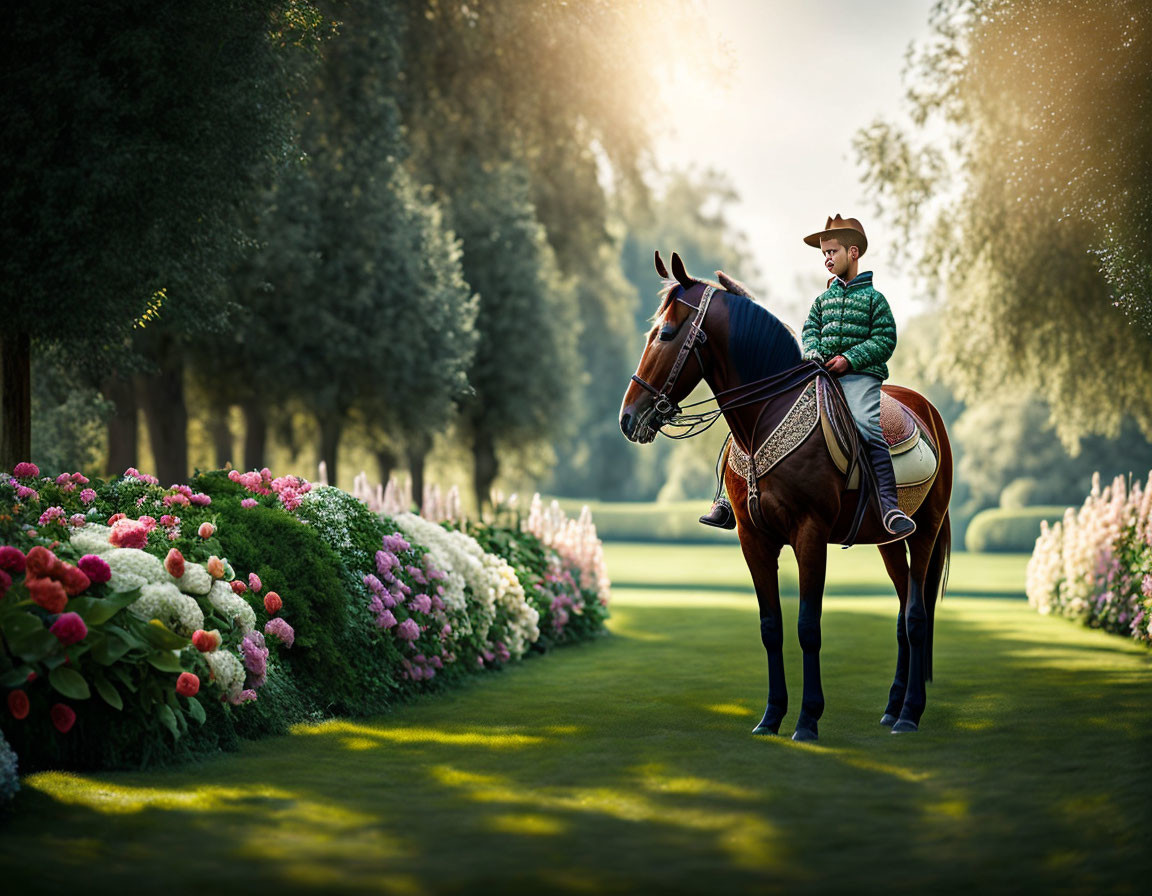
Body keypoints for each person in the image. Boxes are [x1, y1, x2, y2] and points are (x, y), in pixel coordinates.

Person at [699, 214, 916, 539]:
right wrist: (813, 354)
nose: (827, 259)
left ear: (853, 253)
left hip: (859, 378)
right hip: (820, 374)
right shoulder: (822, 301)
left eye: (833, 252)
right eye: (824, 254)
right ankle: (726, 499)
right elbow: (810, 332)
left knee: (868, 426)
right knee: (757, 419)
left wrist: (849, 359)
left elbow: (885, 339)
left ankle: (889, 506)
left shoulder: (875, 300)